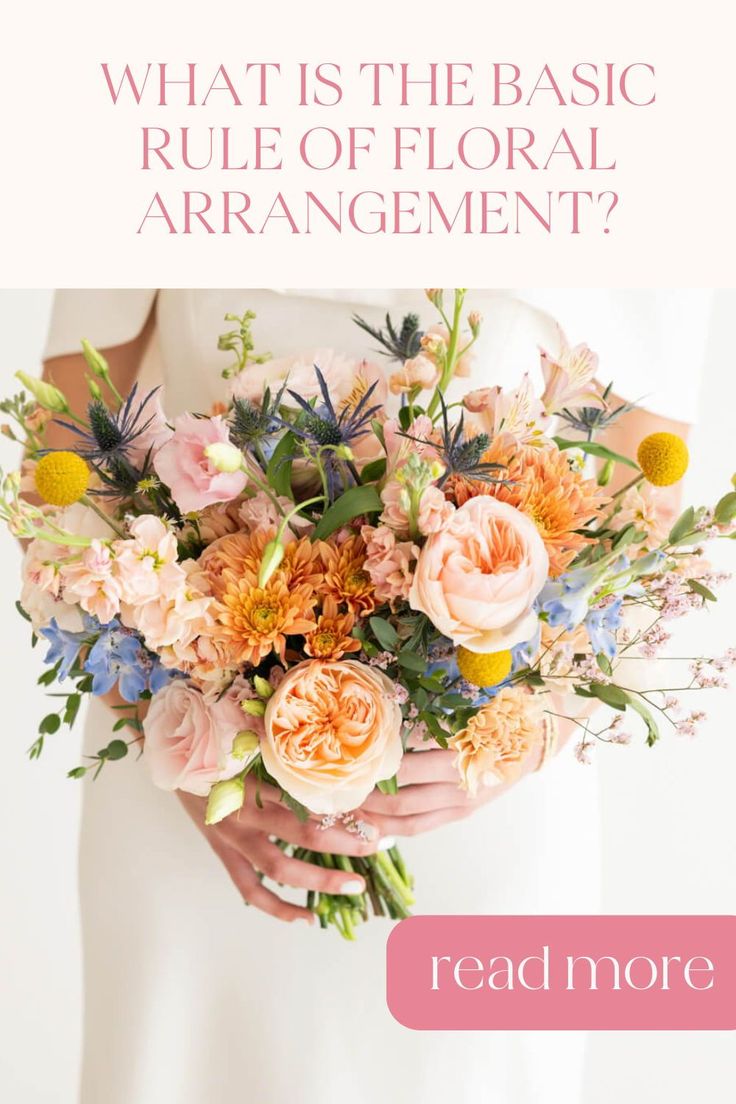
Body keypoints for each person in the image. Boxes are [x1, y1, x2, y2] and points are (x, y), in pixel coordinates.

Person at [41, 288, 698, 1104]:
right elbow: (62, 449)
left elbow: (647, 497)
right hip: (196, 784)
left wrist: (530, 731)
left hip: (475, 797)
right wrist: (173, 726)